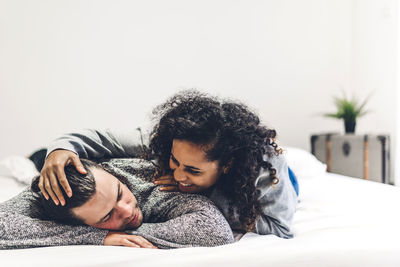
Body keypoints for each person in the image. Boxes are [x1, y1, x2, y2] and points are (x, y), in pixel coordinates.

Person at [39, 90, 298, 238]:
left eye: (193, 170)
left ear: (226, 164)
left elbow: (280, 228)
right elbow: (104, 139)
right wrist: (61, 149)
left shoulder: (265, 171)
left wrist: (206, 194)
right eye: (175, 162)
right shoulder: (165, 138)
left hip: (277, 184)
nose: (178, 174)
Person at [0, 158, 234, 249]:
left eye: (120, 194)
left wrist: (128, 230)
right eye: (106, 217)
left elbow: (215, 231)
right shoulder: (46, 197)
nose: (127, 210)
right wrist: (94, 236)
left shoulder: (147, 178)